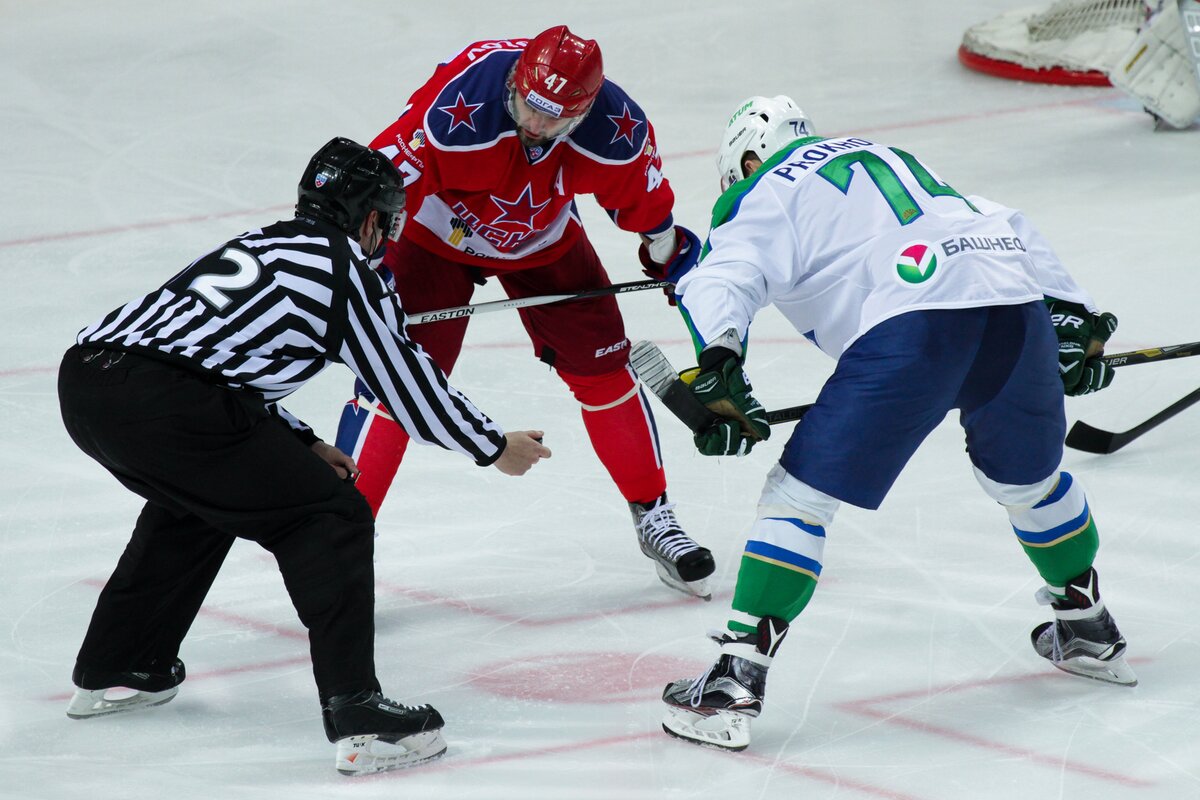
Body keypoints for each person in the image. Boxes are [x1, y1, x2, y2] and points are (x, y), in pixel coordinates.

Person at [57, 137, 550, 776]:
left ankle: (121, 663)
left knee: (199, 503)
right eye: (389, 221)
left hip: (91, 381)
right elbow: (406, 384)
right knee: (331, 517)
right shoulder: (348, 269)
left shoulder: (264, 243)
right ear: (371, 218)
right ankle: (359, 714)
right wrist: (492, 446)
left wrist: (301, 442)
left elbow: (218, 367)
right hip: (167, 399)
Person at [657, 96, 1133, 752]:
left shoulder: (762, 189)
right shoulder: (885, 153)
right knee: (1030, 480)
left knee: (799, 498)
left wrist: (720, 363)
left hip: (913, 325)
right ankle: (1087, 624)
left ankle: (734, 681)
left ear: (745, 159)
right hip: (1011, 301)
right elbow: (1003, 221)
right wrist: (1073, 319)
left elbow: (722, 280)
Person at [333, 25, 714, 599]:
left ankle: (654, 514)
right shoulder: (455, 106)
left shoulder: (618, 132)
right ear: (514, 82)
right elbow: (377, 185)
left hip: (541, 238)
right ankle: (337, 542)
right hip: (435, 234)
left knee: (603, 365)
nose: (535, 127)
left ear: (582, 114)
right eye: (527, 109)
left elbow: (648, 209)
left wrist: (668, 253)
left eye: (554, 121)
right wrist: (372, 265)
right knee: (394, 380)